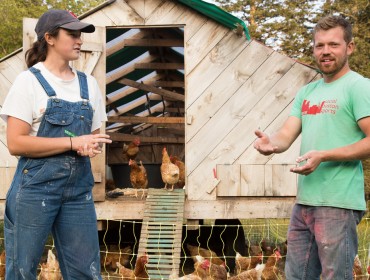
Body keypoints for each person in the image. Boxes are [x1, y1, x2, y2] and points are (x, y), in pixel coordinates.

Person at [254, 15, 369, 279]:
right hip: (304, 202)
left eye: (333, 44)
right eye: (319, 45)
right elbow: (286, 134)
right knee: (296, 275)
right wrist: (271, 144)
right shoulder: (308, 92)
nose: (325, 51)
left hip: (338, 202)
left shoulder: (359, 87)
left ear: (349, 47)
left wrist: (324, 156)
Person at [0, 9, 112, 279]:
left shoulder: (89, 85)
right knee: (23, 272)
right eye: (72, 34)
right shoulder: (29, 82)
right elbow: (15, 143)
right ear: (49, 38)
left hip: (77, 193)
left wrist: (90, 146)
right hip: (35, 191)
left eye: (81, 35)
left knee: (86, 272)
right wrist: (74, 144)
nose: (79, 40)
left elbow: (92, 138)